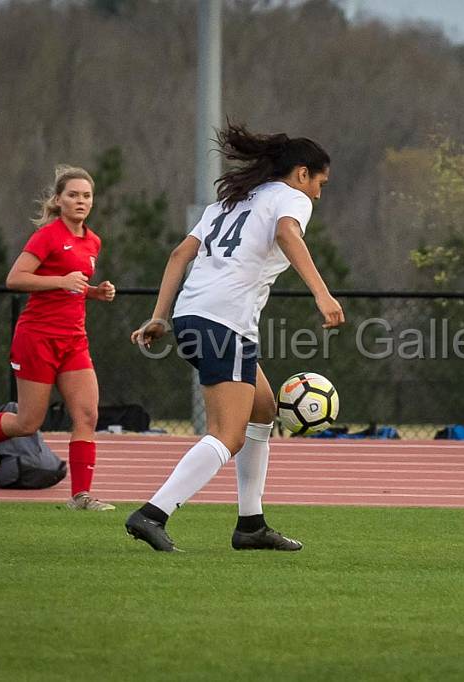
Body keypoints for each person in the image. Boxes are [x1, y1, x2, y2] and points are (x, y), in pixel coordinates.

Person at [124, 123, 344, 552]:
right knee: (230, 434)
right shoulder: (291, 198)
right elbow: (285, 233)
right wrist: (323, 293)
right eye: (320, 183)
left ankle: (251, 525)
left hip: (192, 317)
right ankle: (152, 513)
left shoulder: (228, 202)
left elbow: (178, 255)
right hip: (224, 323)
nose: (319, 193)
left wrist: (160, 316)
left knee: (263, 410)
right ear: (302, 174)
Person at [0, 166, 117, 511]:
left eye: (86, 196)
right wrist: (61, 282)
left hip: (74, 340)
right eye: (73, 195)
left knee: (87, 415)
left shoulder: (92, 240)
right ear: (58, 200)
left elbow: (72, 287)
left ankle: (81, 497)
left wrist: (95, 292)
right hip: (37, 338)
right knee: (27, 422)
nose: (80, 201)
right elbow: (15, 278)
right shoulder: (48, 236)